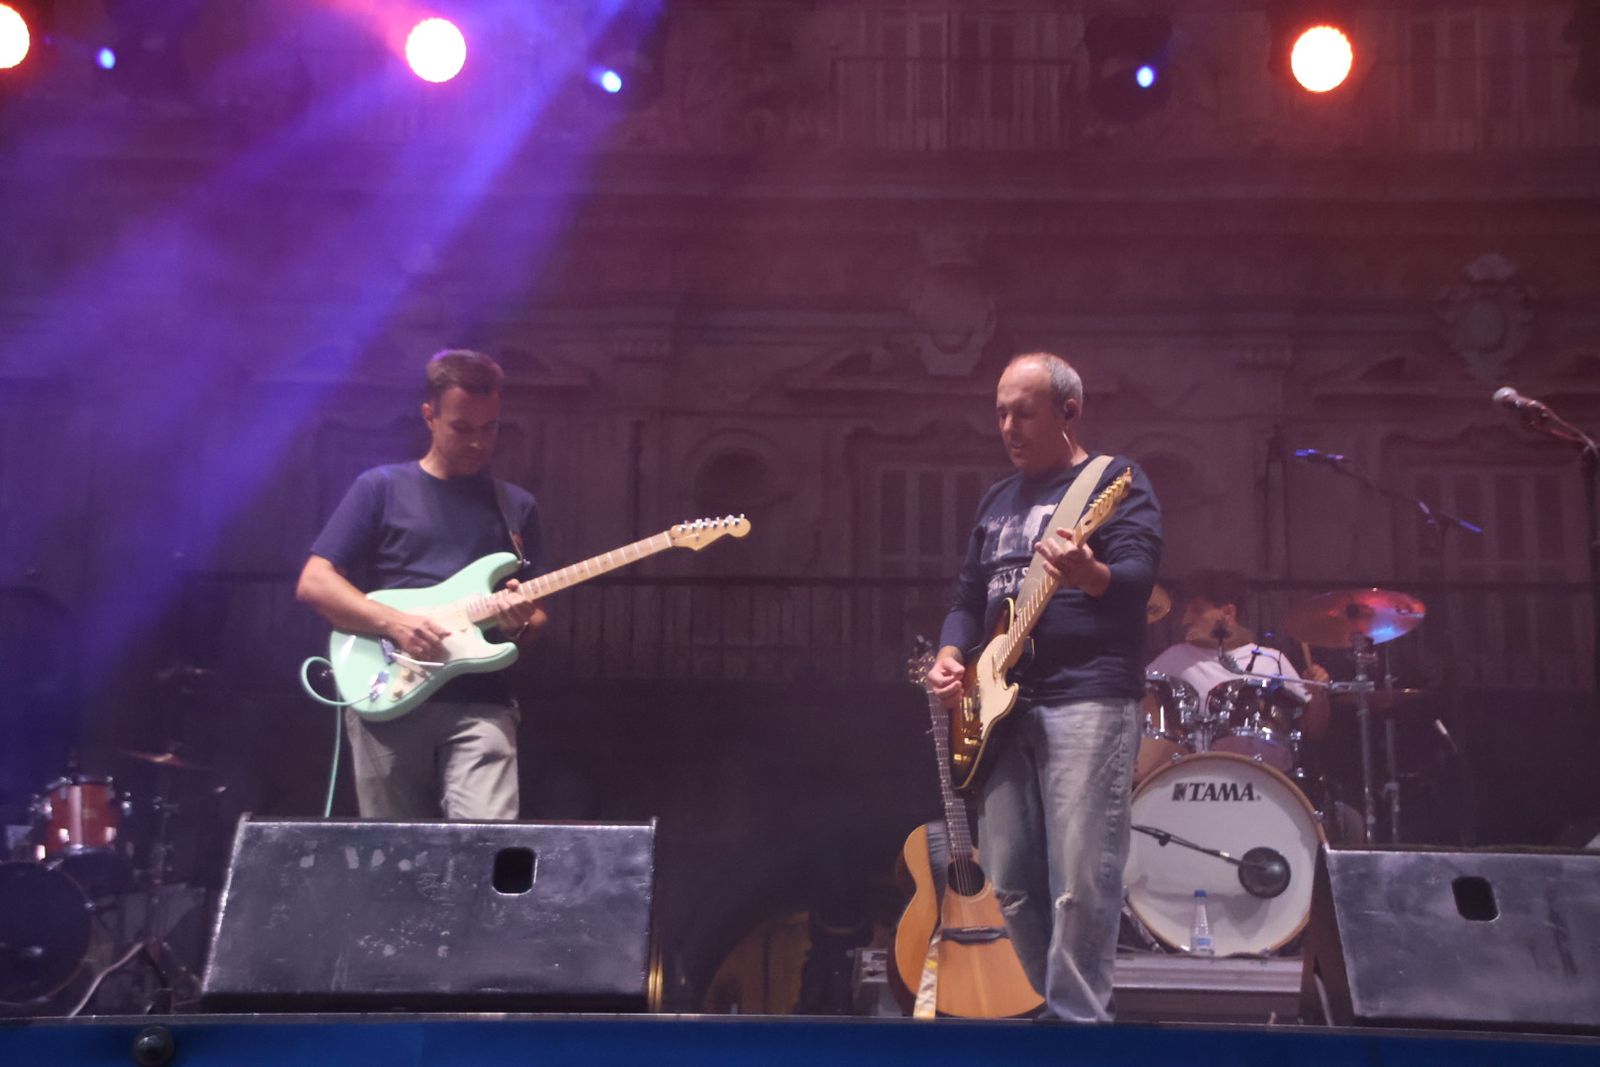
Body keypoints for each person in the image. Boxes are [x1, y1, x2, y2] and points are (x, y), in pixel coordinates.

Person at [927, 351, 1162, 1022]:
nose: (1007, 425)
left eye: (1022, 412)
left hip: (1086, 693)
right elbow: (969, 595)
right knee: (1012, 884)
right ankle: (1042, 1011)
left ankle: (1078, 1024)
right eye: (1000, 411)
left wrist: (1089, 572)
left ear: (1069, 411)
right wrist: (951, 654)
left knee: (1081, 878)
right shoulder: (995, 499)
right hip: (999, 706)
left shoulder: (1116, 481)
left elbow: (1137, 576)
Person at [295, 349, 546, 820]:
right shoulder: (380, 488)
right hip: (388, 685)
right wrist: (395, 623)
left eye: (489, 428)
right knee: (392, 857)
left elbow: (532, 616)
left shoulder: (516, 507)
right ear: (429, 416)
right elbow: (315, 582)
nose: (478, 443)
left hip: (481, 699)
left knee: (484, 851)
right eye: (462, 428)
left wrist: (518, 623)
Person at [1145, 569, 1330, 744]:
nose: (1186, 619)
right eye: (1185, 611)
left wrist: (1318, 696)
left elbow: (1313, 732)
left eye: (1197, 611)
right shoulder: (1173, 658)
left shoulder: (1272, 661)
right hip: (1190, 770)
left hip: (1259, 769)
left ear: (1228, 612)